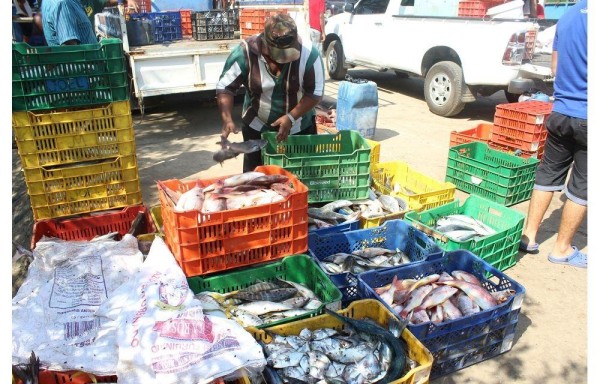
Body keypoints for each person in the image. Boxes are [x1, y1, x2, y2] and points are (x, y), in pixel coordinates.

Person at [519, 0, 587, 268]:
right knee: (583, 187)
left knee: (548, 174)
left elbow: (555, 68)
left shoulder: (569, 16)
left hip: (560, 111)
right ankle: (562, 249)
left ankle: (529, 236)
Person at [216, 13, 325, 172]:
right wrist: (226, 119)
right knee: (256, 175)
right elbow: (225, 87)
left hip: (299, 126)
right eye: (279, 56)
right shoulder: (244, 53)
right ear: (264, 45)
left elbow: (315, 93)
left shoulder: (309, 55)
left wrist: (291, 117)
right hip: (256, 125)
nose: (283, 62)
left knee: (300, 173)